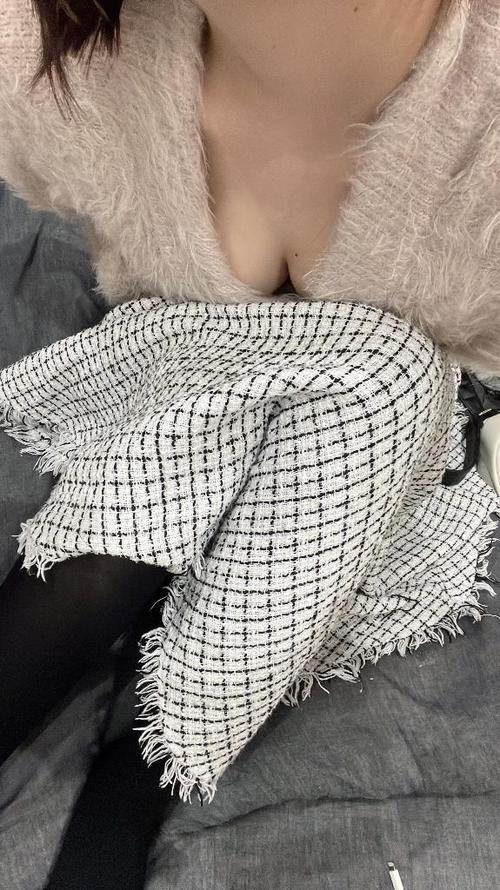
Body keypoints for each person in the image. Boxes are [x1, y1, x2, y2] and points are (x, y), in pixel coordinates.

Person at [0, 0, 499, 887]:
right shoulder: (58, 55)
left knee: (392, 379)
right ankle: (160, 751)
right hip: (186, 360)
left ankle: (153, 752)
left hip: (378, 425)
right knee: (379, 372)